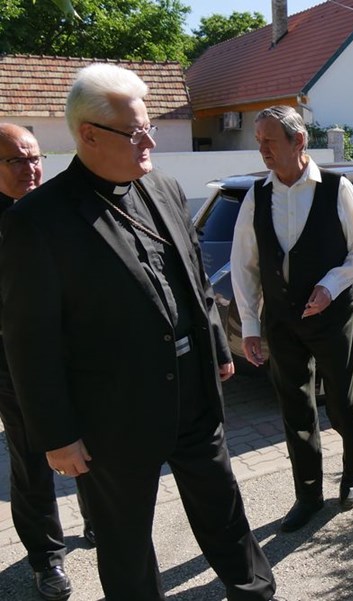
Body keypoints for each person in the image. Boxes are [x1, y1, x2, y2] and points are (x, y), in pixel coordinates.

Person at [0, 65, 278, 601]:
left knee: (223, 509)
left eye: (148, 127)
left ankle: (255, 592)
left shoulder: (164, 186)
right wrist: (56, 434)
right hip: (113, 413)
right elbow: (29, 340)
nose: (149, 142)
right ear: (88, 135)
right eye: (136, 132)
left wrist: (216, 347)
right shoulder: (38, 220)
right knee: (125, 541)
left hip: (192, 394)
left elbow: (193, 275)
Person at [231, 106, 353, 532]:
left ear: (299, 141)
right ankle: (308, 494)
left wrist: (330, 286)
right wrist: (251, 328)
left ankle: (352, 475)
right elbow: (244, 266)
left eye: (270, 141)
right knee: (295, 409)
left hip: (333, 317)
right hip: (281, 321)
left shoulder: (336, 188)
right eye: (259, 141)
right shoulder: (257, 196)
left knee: (345, 402)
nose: (263, 150)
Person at [0, 123, 95, 601]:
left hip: (76, 357)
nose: (30, 168)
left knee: (91, 445)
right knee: (33, 460)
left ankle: (98, 520)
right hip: (15, 366)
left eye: (35, 158)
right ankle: (46, 557)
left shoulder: (57, 207)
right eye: (16, 160)